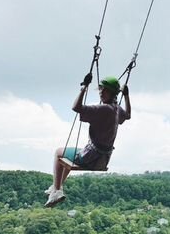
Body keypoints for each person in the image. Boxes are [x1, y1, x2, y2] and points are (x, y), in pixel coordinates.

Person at [45, 75, 131, 207]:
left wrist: (84, 87)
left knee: (59, 152)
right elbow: (128, 115)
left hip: (90, 156)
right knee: (69, 158)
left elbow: (76, 107)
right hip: (103, 159)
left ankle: (56, 190)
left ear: (113, 93)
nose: (101, 93)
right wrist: (126, 96)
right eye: (101, 90)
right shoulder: (117, 110)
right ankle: (58, 187)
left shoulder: (104, 109)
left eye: (105, 90)